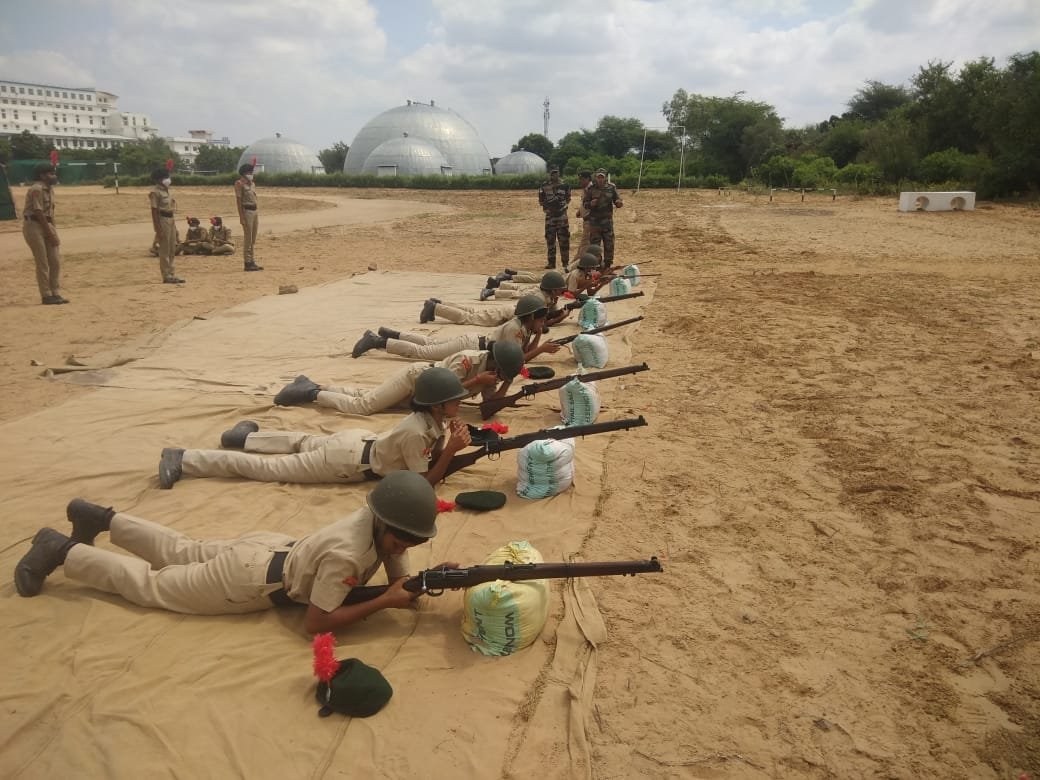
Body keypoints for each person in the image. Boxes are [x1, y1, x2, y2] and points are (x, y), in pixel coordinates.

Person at [13, 471, 458, 635]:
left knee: (179, 548)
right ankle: (62, 550)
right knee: (153, 585)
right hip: (247, 580)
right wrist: (384, 601)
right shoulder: (347, 555)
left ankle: (99, 518)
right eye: (401, 540)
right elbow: (316, 622)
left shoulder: (376, 515)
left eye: (413, 542)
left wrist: (426, 579)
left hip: (266, 547)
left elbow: (398, 577)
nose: (404, 548)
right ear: (385, 523)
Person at [157, 367, 472, 489]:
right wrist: (453, 450)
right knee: (267, 469)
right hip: (345, 462)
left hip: (355, 443)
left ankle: (247, 437)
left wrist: (447, 440)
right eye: (454, 400)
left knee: (301, 441)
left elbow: (430, 457)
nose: (459, 403)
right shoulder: (416, 430)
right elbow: (424, 482)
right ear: (436, 405)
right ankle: (185, 458)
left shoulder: (431, 421)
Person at [274, 339, 524, 416]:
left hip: (422, 395)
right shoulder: (468, 360)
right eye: (502, 373)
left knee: (367, 396)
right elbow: (443, 389)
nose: (499, 378)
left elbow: (487, 408)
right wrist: (477, 382)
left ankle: (316, 386)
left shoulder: (491, 373)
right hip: (416, 379)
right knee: (364, 406)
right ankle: (311, 393)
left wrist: (507, 384)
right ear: (495, 362)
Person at [353, 289, 563, 360]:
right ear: (530, 316)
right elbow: (518, 359)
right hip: (471, 346)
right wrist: (542, 348)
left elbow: (525, 350)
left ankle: (393, 334)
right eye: (540, 319)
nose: (542, 322)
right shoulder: (515, 329)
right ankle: (378, 341)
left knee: (429, 343)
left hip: (472, 343)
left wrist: (538, 335)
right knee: (423, 352)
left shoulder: (524, 327)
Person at [22, 163, 66, 305]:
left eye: (53, 173)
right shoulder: (37, 189)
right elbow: (38, 212)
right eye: (50, 174)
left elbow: (50, 213)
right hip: (34, 225)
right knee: (42, 262)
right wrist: (50, 234)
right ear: (42, 176)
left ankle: (55, 292)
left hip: (47, 224)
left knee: (55, 261)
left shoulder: (50, 189)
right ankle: (46, 295)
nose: (54, 176)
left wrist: (53, 231)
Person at [583, 168, 623, 268]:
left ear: (605, 178)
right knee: (595, 246)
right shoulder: (591, 189)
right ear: (595, 178)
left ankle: (608, 265)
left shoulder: (611, 187)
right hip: (595, 223)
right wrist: (590, 204)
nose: (600, 179)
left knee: (609, 244)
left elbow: (617, 199)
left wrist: (618, 202)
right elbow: (585, 204)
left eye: (602, 177)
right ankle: (596, 265)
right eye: (598, 177)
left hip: (607, 222)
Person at [149, 168, 183, 284]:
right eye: (165, 177)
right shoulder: (155, 193)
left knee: (172, 248)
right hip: (162, 219)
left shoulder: (168, 191)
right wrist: (158, 229)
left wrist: (175, 227)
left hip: (171, 219)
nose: (168, 179)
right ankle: (166, 275)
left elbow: (171, 208)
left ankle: (172, 273)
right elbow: (154, 212)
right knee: (164, 249)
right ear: (158, 180)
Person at [538, 167, 571, 270]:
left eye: (556, 173)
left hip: (562, 217)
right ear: (550, 174)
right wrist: (548, 207)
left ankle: (565, 263)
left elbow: (568, 199)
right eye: (553, 173)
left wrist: (560, 207)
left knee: (564, 241)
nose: (555, 175)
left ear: (559, 173)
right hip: (550, 218)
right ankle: (551, 263)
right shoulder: (544, 186)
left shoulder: (565, 185)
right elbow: (541, 200)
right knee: (550, 240)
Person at [235, 163, 263, 272]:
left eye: (251, 172)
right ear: (244, 173)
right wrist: (241, 217)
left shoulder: (252, 184)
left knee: (253, 238)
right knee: (248, 238)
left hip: (255, 211)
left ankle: (252, 260)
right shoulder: (239, 184)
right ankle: (247, 262)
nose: (251, 174)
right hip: (247, 212)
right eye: (249, 172)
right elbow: (238, 201)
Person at [572, 170, 593, 266]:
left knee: (584, 245)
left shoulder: (591, 189)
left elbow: (595, 206)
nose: (580, 181)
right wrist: (580, 212)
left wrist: (588, 215)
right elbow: (584, 203)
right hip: (586, 221)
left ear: (588, 179)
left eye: (582, 179)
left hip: (590, 221)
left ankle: (578, 265)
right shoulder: (585, 189)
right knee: (584, 244)